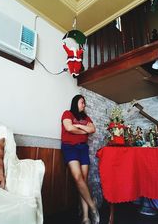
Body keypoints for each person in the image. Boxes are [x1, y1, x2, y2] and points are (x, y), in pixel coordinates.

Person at [61, 94, 100, 224]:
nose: (84, 105)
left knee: (83, 181)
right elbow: (69, 127)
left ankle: (85, 217)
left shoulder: (86, 117)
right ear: (75, 102)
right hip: (69, 147)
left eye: (84, 103)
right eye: (82, 102)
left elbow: (92, 129)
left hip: (83, 148)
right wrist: (85, 130)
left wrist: (79, 127)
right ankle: (93, 207)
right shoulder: (67, 114)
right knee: (78, 178)